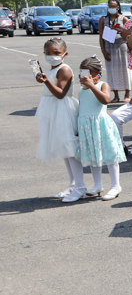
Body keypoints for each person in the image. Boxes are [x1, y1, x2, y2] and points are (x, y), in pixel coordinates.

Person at [34, 37, 86, 202]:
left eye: (56, 53)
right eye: (48, 53)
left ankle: (80, 187)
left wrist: (47, 81)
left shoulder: (64, 69)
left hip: (63, 109)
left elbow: (61, 93)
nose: (52, 56)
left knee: (70, 149)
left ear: (65, 54)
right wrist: (45, 80)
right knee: (64, 149)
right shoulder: (51, 69)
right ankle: (73, 184)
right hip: (51, 108)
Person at [75, 56, 126, 200]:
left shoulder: (103, 85)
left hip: (100, 124)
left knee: (110, 155)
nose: (84, 76)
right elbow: (82, 106)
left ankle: (116, 186)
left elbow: (105, 99)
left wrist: (91, 85)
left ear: (97, 74)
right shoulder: (81, 89)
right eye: (82, 72)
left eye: (88, 73)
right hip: (86, 125)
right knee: (93, 155)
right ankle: (97, 185)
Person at [98, 0, 132, 101]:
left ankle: (127, 94)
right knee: (111, 71)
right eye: (110, 6)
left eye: (113, 6)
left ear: (118, 7)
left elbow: (128, 34)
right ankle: (116, 95)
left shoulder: (124, 19)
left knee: (125, 70)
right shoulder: (103, 19)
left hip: (121, 47)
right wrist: (103, 51)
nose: (111, 8)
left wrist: (120, 30)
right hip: (109, 47)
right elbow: (101, 36)